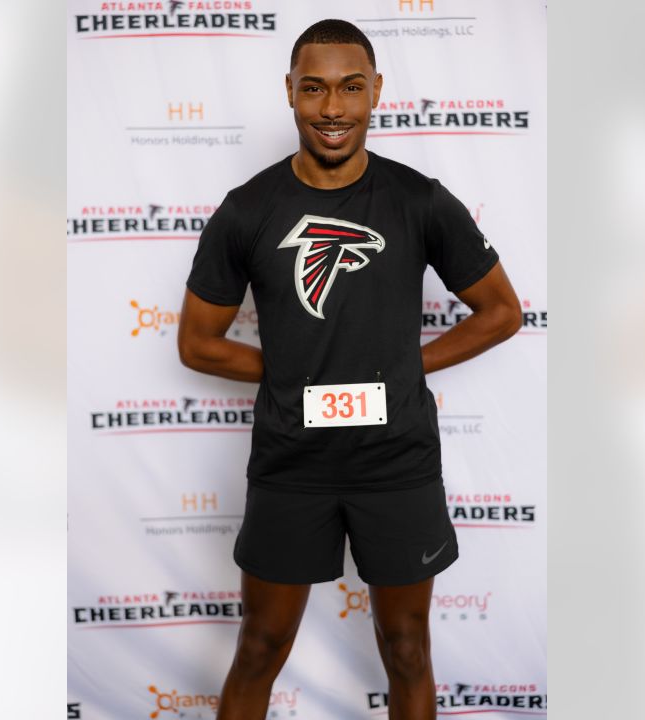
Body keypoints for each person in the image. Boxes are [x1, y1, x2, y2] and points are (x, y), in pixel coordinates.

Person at [177, 19, 523, 720]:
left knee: (405, 649)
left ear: (375, 93)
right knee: (261, 644)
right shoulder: (248, 210)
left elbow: (501, 312)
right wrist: (291, 376)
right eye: (314, 89)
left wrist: (400, 366)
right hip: (291, 463)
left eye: (349, 88)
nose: (332, 108)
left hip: (396, 463)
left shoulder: (419, 199)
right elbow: (198, 343)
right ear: (290, 94)